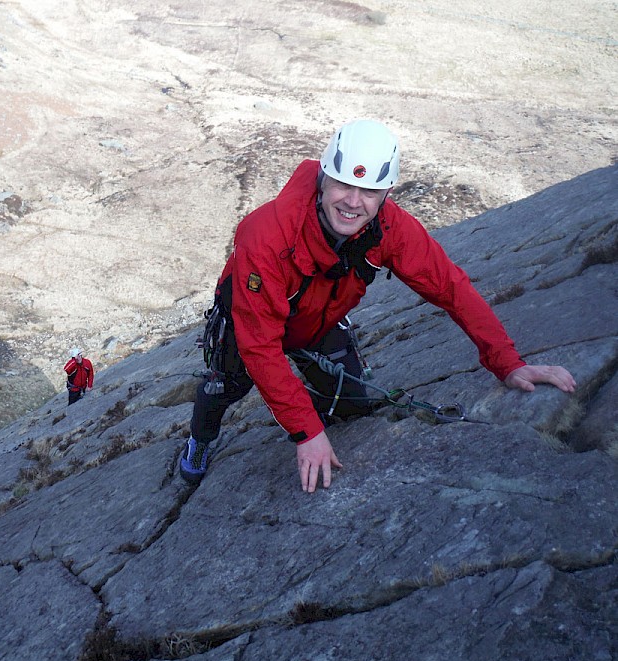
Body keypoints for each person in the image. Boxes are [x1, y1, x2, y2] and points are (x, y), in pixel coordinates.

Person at [180, 119, 576, 492]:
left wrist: (506, 362)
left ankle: (311, 406)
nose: (354, 202)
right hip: (249, 318)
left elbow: (451, 288)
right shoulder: (267, 233)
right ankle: (200, 440)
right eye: (342, 186)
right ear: (322, 179)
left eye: (370, 191)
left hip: (318, 322)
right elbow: (260, 345)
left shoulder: (390, 228)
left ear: (387, 193)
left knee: (351, 404)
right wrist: (307, 431)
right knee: (223, 387)